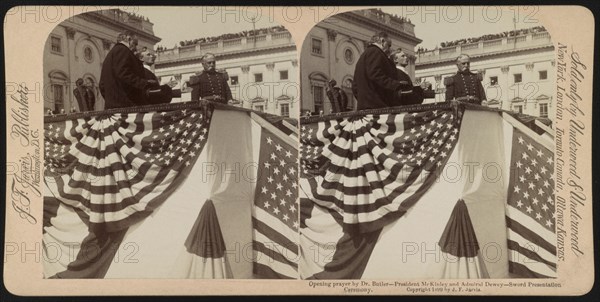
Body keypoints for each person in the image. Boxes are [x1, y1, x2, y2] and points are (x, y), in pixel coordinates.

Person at [99, 31, 157, 109]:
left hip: (113, 106)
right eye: (135, 44)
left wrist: (111, 101)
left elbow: (101, 85)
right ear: (129, 39)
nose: (135, 48)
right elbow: (124, 74)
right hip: (126, 105)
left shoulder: (111, 54)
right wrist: (144, 83)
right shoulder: (123, 50)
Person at [352, 32, 404, 110]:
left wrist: (363, 101)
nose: (390, 49)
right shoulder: (376, 52)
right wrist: (396, 85)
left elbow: (355, 86)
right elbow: (376, 75)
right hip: (378, 106)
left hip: (366, 107)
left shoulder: (365, 54)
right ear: (382, 41)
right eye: (389, 45)